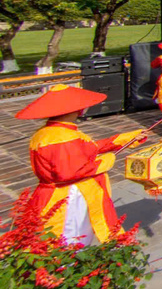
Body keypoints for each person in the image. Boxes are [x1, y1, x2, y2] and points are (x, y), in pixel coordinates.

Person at [16, 85, 147, 245]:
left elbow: (86, 150)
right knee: (70, 235)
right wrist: (105, 161)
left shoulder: (51, 133)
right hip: (68, 196)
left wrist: (125, 139)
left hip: (61, 192)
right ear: (76, 110)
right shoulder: (62, 137)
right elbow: (70, 171)